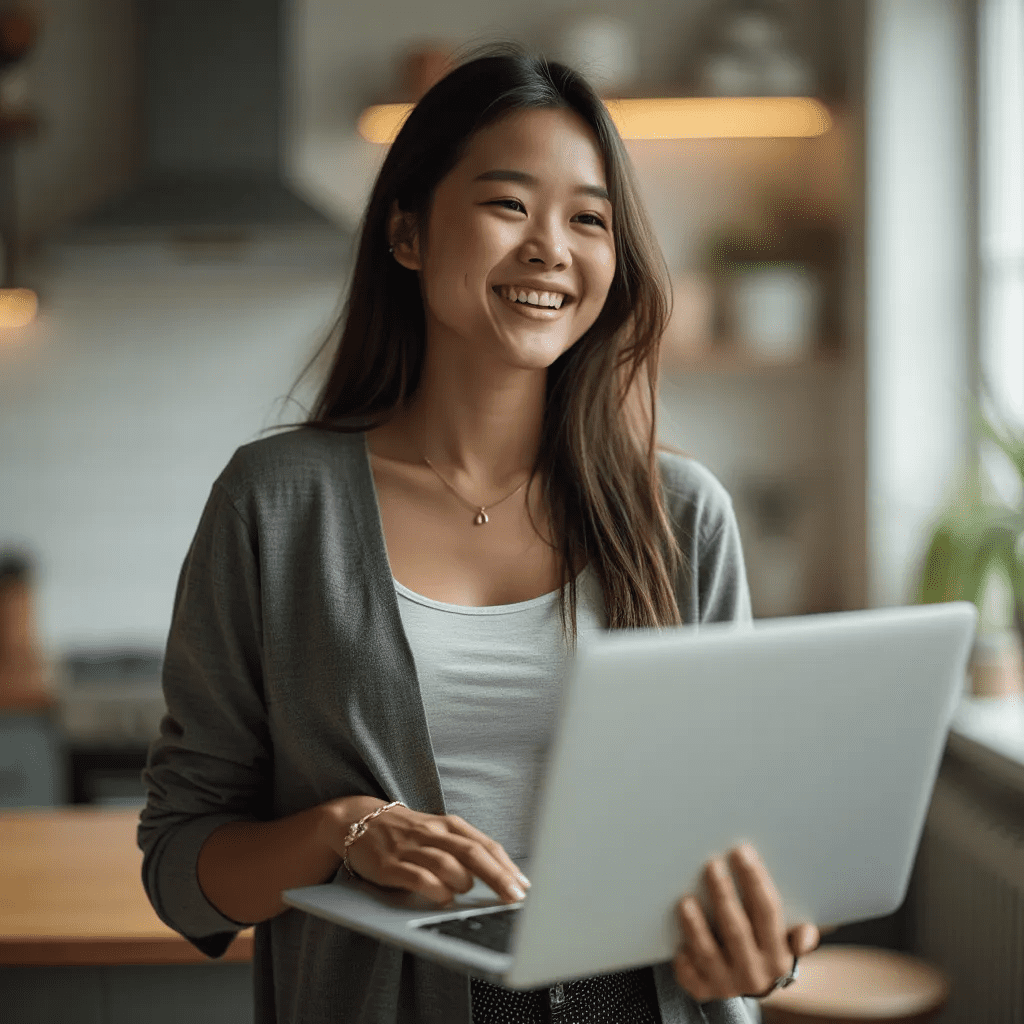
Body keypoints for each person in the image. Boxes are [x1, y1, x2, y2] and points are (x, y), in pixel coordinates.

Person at [137, 44, 820, 1024]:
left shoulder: (680, 515)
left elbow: (742, 841)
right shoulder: (275, 504)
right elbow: (179, 867)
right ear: (407, 232)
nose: (551, 247)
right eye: (509, 204)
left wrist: (762, 942)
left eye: (589, 218)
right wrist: (343, 827)